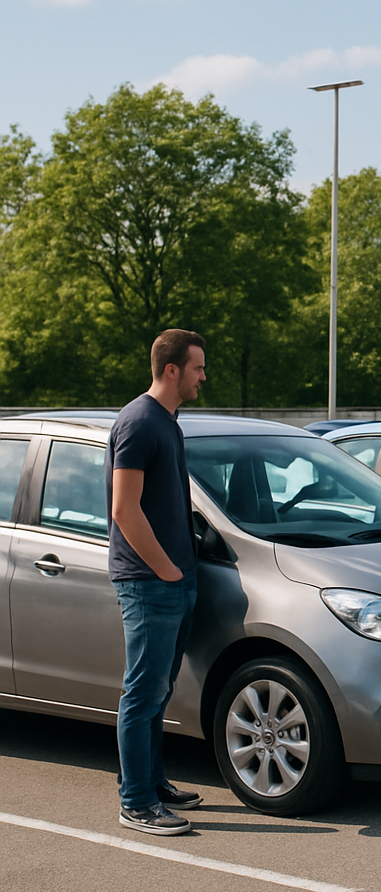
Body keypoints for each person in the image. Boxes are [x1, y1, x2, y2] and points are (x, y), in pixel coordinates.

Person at [105, 329, 207, 835]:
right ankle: (137, 802)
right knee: (142, 693)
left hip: (175, 579)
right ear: (172, 370)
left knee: (159, 690)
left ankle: (152, 781)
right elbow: (125, 509)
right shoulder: (140, 421)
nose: (202, 377)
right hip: (149, 582)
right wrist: (166, 569)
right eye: (197, 368)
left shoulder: (169, 422)